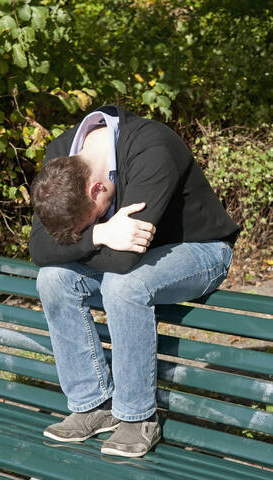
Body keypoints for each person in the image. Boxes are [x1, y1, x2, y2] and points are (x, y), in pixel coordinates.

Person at [29, 105, 240, 457]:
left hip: (200, 250)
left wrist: (73, 245)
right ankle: (93, 406)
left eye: (88, 221)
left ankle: (136, 417)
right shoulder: (60, 155)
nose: (85, 230)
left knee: (123, 286)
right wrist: (99, 233)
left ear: (98, 188)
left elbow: (126, 259)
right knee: (52, 279)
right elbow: (39, 247)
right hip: (128, 258)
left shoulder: (152, 148)